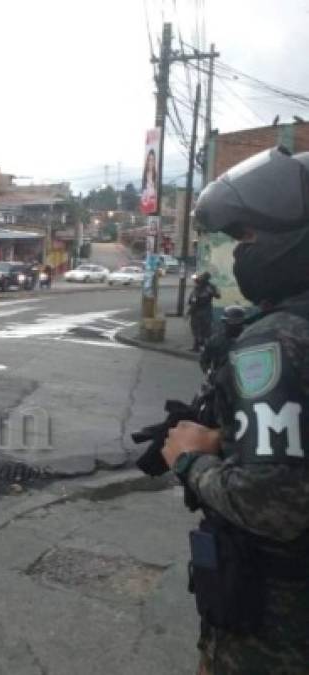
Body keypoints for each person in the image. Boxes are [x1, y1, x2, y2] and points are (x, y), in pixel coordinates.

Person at [162, 146, 309, 674]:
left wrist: (188, 460)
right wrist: (229, 437)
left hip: (277, 620)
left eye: (248, 237)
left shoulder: (276, 340)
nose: (241, 252)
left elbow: (273, 503)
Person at [199, 305, 247, 375]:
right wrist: (209, 372)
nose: (234, 325)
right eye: (231, 322)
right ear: (225, 322)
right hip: (221, 379)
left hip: (242, 378)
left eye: (237, 322)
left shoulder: (248, 340)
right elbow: (204, 360)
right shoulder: (215, 340)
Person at [187, 272, 220, 352]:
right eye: (201, 277)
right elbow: (193, 299)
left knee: (206, 329)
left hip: (205, 310)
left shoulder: (210, 287)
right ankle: (196, 346)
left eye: (204, 278)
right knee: (195, 328)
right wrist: (190, 311)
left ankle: (206, 347)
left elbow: (218, 296)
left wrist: (211, 292)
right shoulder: (198, 285)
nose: (202, 280)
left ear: (207, 279)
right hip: (196, 310)